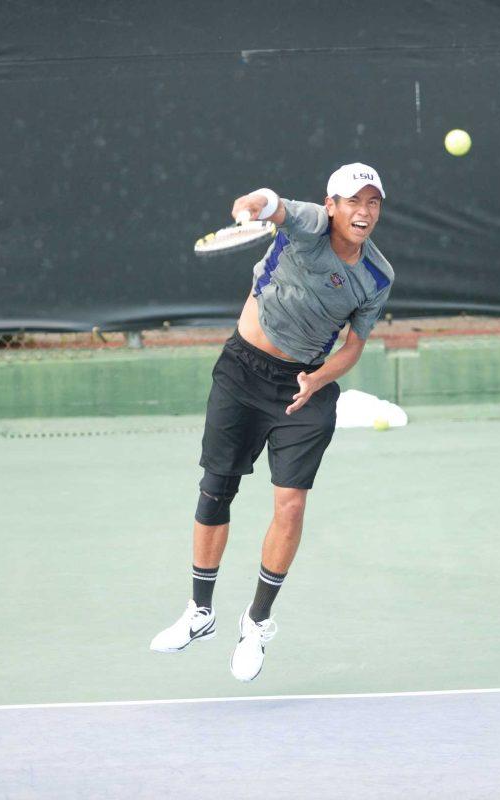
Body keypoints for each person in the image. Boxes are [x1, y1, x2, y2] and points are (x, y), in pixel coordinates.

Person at [149, 163, 394, 681]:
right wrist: (248, 207)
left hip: (304, 388)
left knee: (291, 503)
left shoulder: (377, 276)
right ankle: (200, 612)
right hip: (242, 371)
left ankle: (256, 621)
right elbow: (269, 200)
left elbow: (354, 346)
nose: (364, 211)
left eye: (373, 202)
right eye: (354, 201)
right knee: (216, 488)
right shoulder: (307, 225)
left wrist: (319, 379)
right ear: (332, 205)